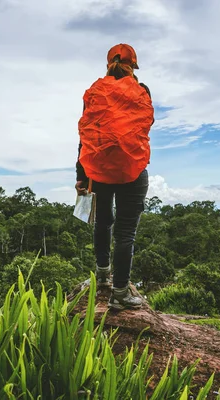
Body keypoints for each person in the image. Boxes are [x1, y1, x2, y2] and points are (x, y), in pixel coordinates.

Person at [75, 43, 154, 310]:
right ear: (133, 66)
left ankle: (101, 273)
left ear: (108, 64)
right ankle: (120, 292)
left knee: (102, 222)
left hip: (98, 169)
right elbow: (143, 128)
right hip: (132, 168)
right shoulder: (142, 91)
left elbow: (86, 134)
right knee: (125, 233)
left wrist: (81, 175)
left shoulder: (95, 92)